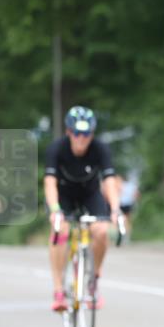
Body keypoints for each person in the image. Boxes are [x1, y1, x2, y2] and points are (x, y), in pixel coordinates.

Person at [44, 106, 120, 312]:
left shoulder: (100, 149)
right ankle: (59, 290)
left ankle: (93, 280)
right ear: (68, 132)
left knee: (102, 231)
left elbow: (110, 180)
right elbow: (49, 182)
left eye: (86, 134)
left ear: (92, 134)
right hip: (63, 194)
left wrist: (115, 209)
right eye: (77, 133)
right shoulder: (57, 148)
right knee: (60, 230)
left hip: (89, 193)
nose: (81, 138)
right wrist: (55, 210)